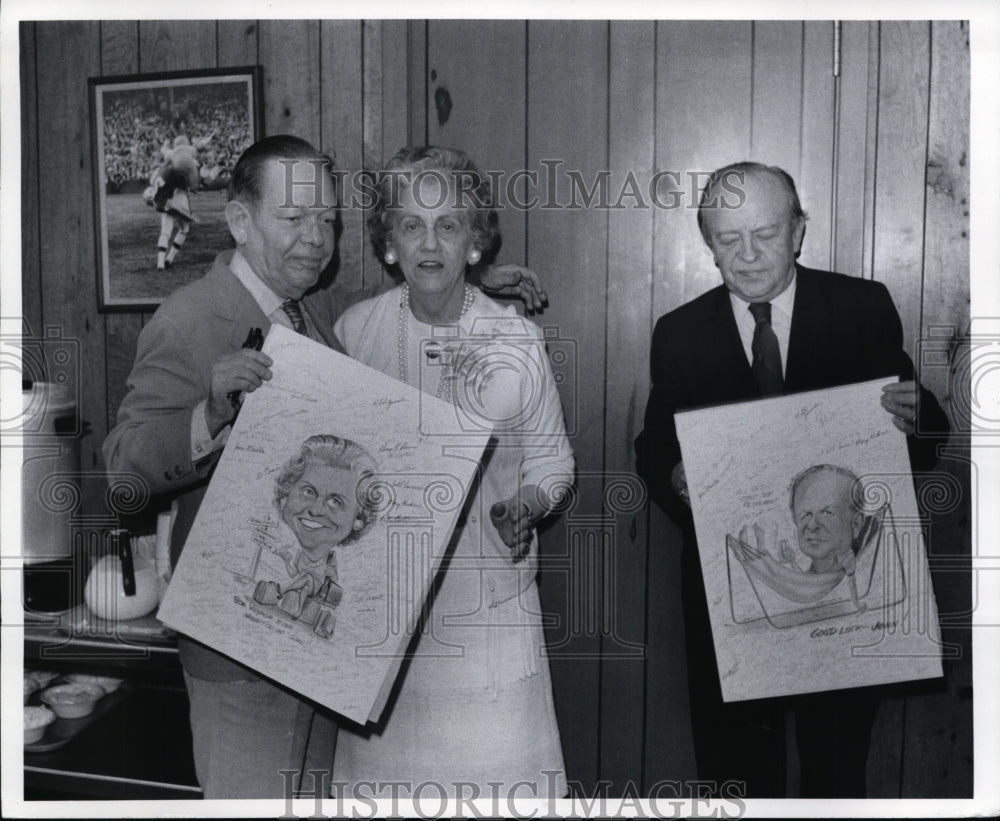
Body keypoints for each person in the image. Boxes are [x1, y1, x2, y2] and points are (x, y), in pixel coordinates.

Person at [103, 134, 548, 799]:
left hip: (313, 639)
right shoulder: (190, 317)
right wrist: (209, 413)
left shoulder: (314, 310)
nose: (317, 238)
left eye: (328, 220)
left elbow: (401, 293)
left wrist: (467, 279)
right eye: (294, 219)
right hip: (238, 656)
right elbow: (123, 471)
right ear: (239, 221)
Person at [634, 161, 949, 798]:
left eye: (767, 234)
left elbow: (918, 444)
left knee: (837, 775)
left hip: (849, 599)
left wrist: (920, 418)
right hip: (736, 599)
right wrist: (673, 477)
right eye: (728, 239)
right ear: (708, 244)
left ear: (799, 231)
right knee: (737, 778)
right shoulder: (680, 332)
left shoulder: (862, 306)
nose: (748, 255)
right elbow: (654, 451)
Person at [332, 145, 573, 798]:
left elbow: (554, 462)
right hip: (383, 622)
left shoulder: (515, 337)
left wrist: (525, 505)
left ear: (475, 241)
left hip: (485, 614)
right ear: (389, 244)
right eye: (411, 225)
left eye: (448, 225)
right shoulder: (355, 332)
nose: (429, 242)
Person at [253, 435, 378, 637]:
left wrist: (328, 572)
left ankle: (281, 593)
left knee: (309, 580)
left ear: (358, 520)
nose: (316, 510)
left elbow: (331, 580)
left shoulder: (337, 562)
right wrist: (285, 558)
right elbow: (294, 572)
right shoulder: (276, 542)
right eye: (309, 492)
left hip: (313, 595)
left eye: (336, 502)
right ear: (287, 493)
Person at [144, 136, 200, 270]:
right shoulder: (181, 160)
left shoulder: (162, 167)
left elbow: (155, 182)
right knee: (184, 229)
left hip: (163, 199)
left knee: (165, 231)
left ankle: (161, 262)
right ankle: (170, 258)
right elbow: (192, 179)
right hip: (178, 195)